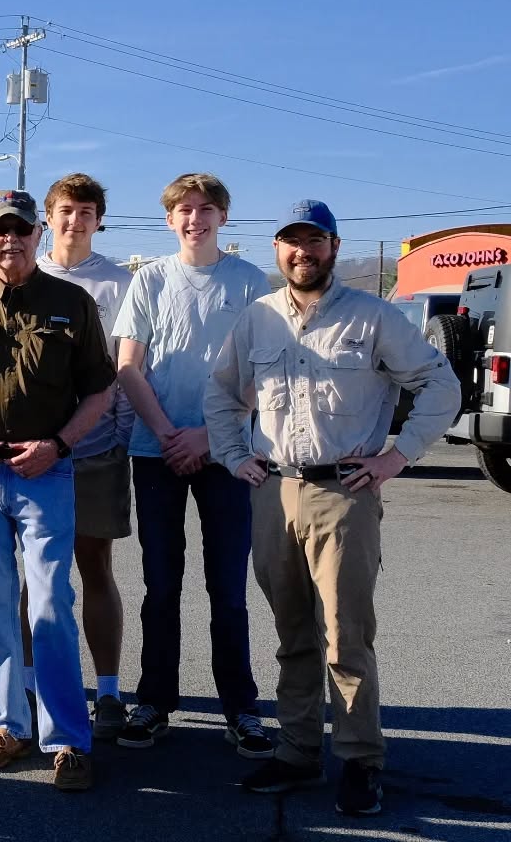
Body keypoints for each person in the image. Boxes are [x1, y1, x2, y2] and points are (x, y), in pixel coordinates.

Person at [205, 200, 459, 817]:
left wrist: (396, 459)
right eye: (291, 242)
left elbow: (440, 383)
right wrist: (235, 456)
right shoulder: (258, 319)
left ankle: (360, 760)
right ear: (276, 249)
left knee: (346, 636)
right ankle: (296, 750)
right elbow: (221, 392)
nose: (302, 252)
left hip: (344, 494)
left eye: (314, 240)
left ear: (334, 246)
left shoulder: (372, 318)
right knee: (292, 633)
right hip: (273, 493)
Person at [0, 188, 114, 792]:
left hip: (44, 472)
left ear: (38, 235)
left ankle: (67, 739)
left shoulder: (72, 303)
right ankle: (7, 726)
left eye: (21, 229)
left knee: (50, 605)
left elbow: (99, 391)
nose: (10, 239)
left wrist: (58, 446)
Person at [110, 172, 273, 757]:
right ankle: (155, 700)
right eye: (183, 209)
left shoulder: (251, 283)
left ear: (223, 218)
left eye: (206, 209)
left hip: (228, 455)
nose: (194, 219)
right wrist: (167, 434)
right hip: (158, 452)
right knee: (161, 584)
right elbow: (129, 366)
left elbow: (263, 371)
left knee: (227, 587)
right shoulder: (149, 280)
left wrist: (209, 435)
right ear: (169, 218)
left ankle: (241, 708)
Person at [30, 174, 135, 738]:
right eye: (66, 211)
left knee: (95, 568)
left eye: (87, 211)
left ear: (100, 219)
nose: (76, 221)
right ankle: (27, 684)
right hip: (32, 456)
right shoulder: (28, 272)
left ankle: (111, 689)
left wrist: (117, 434)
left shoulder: (120, 283)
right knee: (35, 576)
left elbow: (127, 367)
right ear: (49, 218)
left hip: (96, 453)